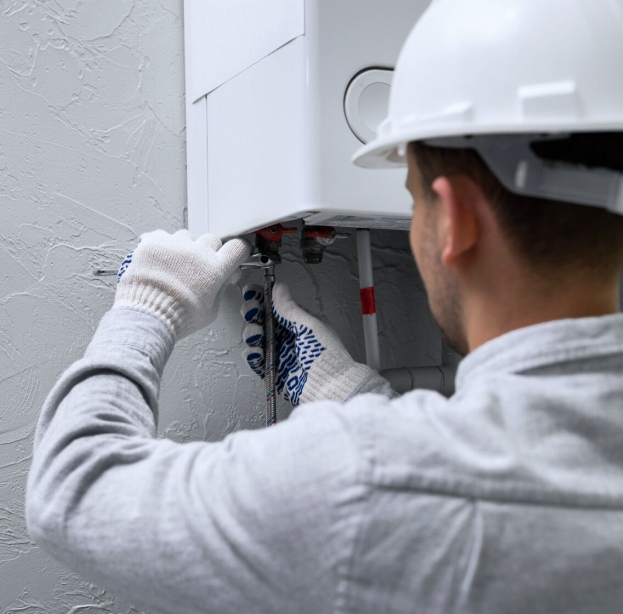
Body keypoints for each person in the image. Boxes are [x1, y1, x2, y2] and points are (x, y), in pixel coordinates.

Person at [26, 0, 623, 612]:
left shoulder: (359, 476)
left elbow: (76, 489)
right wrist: (351, 394)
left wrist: (148, 306)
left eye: (415, 199)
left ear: (457, 219)